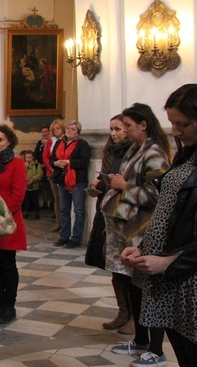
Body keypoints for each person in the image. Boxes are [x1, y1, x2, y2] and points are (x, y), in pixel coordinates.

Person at [121, 84, 197, 366]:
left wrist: (168, 262)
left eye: (184, 124)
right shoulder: (186, 153)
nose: (176, 131)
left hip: (188, 275)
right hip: (175, 277)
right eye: (172, 124)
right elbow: (169, 213)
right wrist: (144, 249)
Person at [104, 104, 170, 366]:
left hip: (145, 232)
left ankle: (156, 347)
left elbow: (158, 195)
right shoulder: (135, 148)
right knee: (135, 287)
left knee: (148, 289)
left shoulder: (154, 153)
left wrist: (124, 186)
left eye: (128, 125)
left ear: (143, 125)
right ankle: (141, 340)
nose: (125, 130)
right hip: (129, 231)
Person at [85, 115, 135, 334]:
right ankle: (123, 312)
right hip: (108, 215)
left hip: (127, 218)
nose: (113, 133)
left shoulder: (134, 153)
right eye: (111, 129)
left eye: (118, 129)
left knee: (129, 269)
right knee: (115, 268)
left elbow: (132, 185)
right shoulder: (112, 151)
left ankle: (136, 317)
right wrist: (99, 186)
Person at [0, 124, 27, 325]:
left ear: (9, 141)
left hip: (9, 222)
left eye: (0, 139)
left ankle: (9, 305)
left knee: (8, 265)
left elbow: (18, 195)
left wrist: (0, 214)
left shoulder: (17, 164)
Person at [50, 120, 91, 248]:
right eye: (68, 128)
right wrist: (56, 163)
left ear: (78, 132)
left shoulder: (82, 144)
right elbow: (52, 158)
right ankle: (64, 236)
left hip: (77, 181)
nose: (69, 130)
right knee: (64, 209)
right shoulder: (59, 143)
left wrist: (69, 162)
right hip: (62, 180)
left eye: (73, 129)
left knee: (78, 210)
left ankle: (76, 238)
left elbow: (84, 162)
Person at [43, 119, 65, 232]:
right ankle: (59, 222)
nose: (56, 130)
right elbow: (45, 157)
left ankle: (66, 224)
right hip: (52, 172)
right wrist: (51, 167)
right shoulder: (50, 141)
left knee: (64, 199)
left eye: (58, 128)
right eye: (54, 129)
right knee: (57, 198)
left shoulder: (66, 140)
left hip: (64, 172)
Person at [21, 150, 44, 220]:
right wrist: (26, 167)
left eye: (30, 157)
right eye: (27, 157)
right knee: (26, 199)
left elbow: (40, 174)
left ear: (33, 158)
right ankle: (25, 211)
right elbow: (21, 173)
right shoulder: (23, 165)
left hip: (34, 186)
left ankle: (36, 212)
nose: (28, 159)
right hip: (26, 185)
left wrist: (33, 179)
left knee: (34, 199)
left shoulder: (37, 165)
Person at [33, 126, 51, 209]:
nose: (44, 133)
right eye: (43, 132)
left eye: (46, 131)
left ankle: (51, 202)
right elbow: (35, 154)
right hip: (41, 166)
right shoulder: (40, 143)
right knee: (43, 186)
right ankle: (44, 202)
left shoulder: (52, 142)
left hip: (49, 166)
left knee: (50, 186)